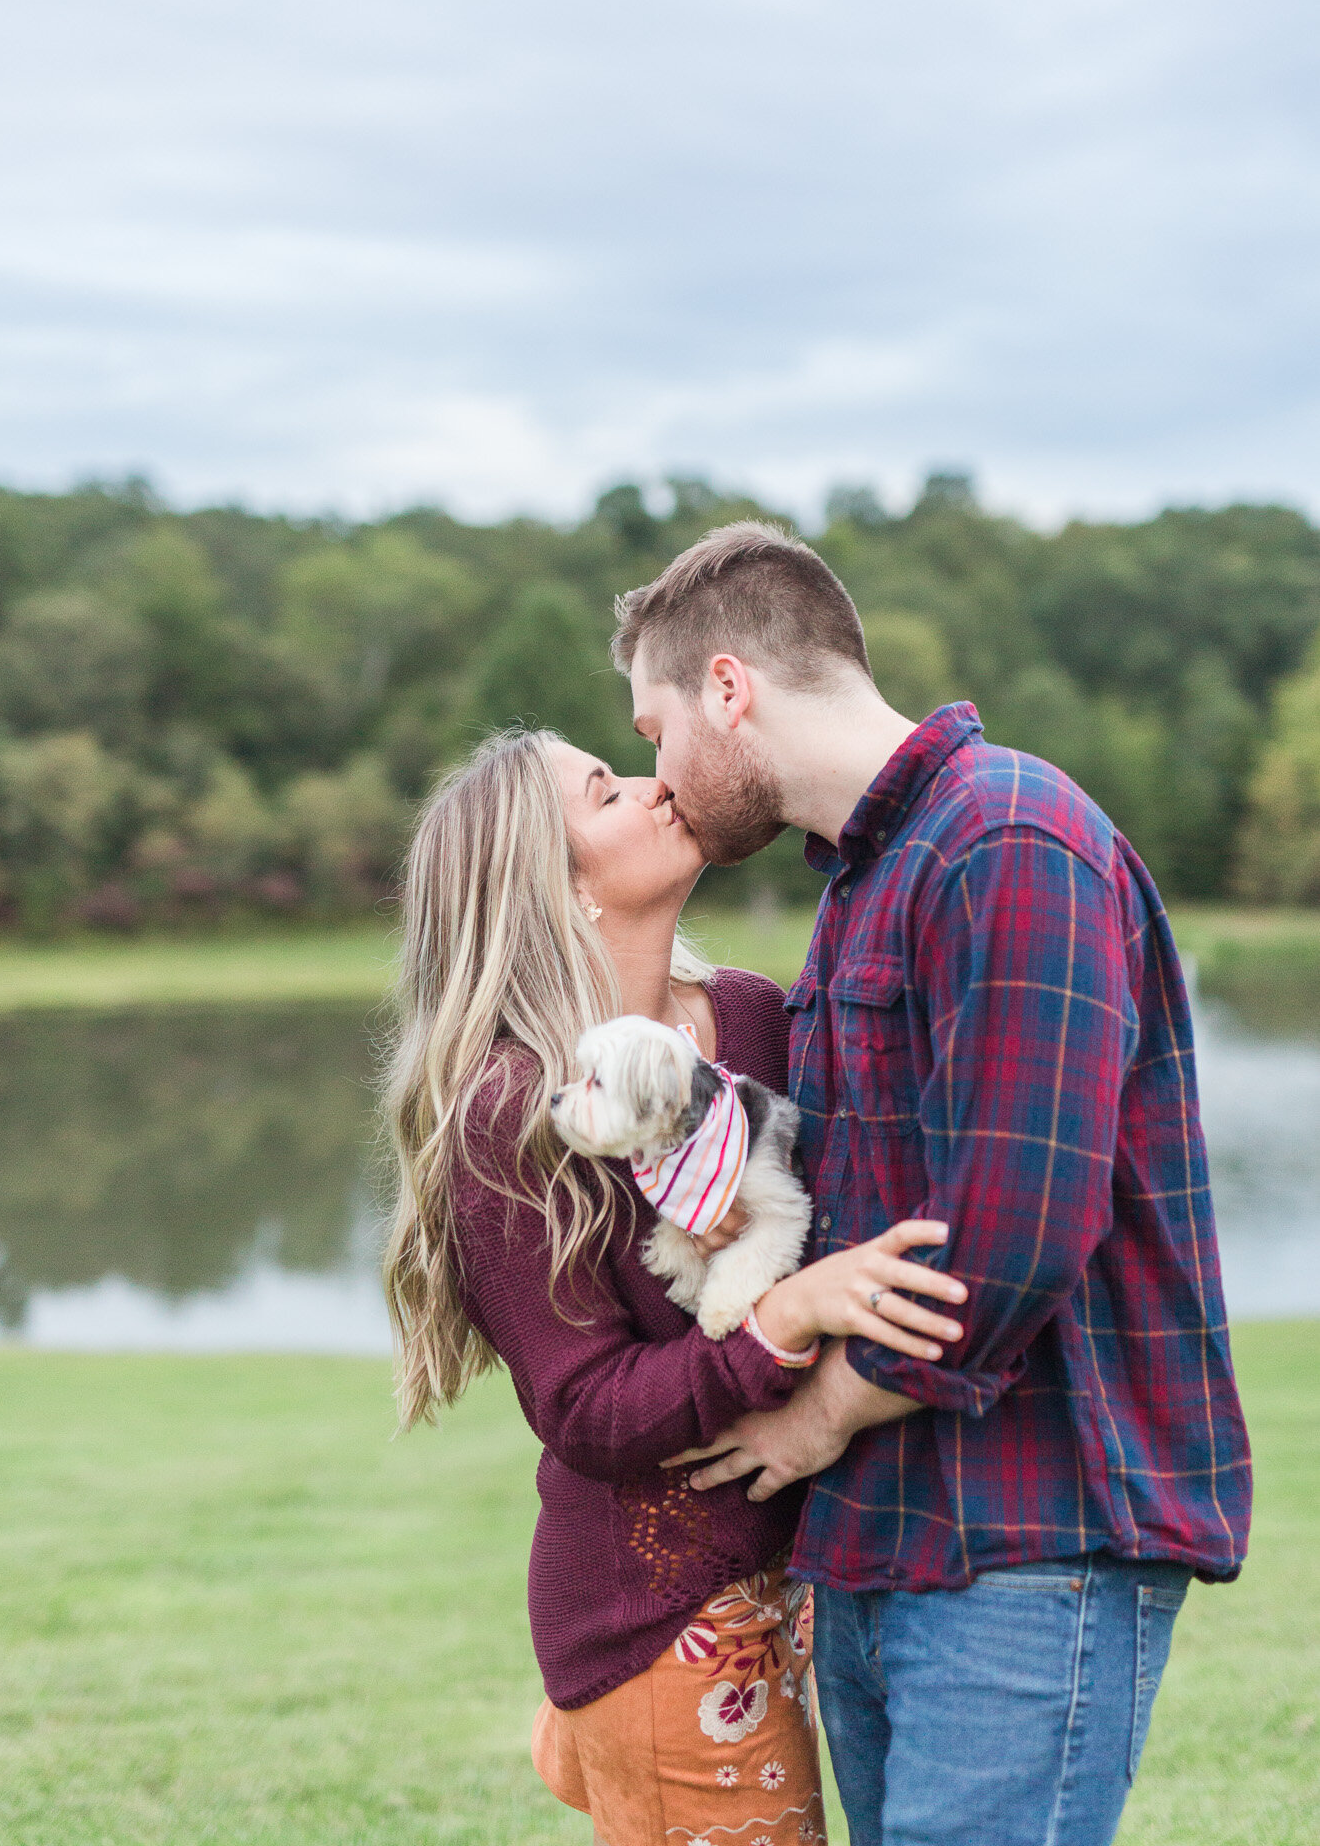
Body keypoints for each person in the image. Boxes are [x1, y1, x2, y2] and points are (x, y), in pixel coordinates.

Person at [611, 521, 1252, 1846]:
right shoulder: (867, 877)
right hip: (883, 1545)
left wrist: (818, 1420)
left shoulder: (1006, 839)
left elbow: (1014, 1233)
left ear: (729, 689)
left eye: (655, 724)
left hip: (1028, 1541)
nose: (656, 772)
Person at [381, 726, 968, 1846]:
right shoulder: (517, 1111)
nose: (657, 787)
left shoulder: (748, 1016)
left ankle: (601, 1742)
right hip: (658, 1610)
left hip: (797, 1577)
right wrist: (783, 1317)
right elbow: (586, 1407)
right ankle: (605, 1724)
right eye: (607, 792)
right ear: (555, 885)